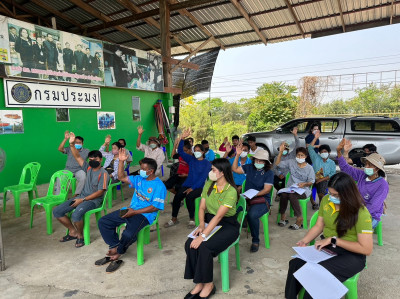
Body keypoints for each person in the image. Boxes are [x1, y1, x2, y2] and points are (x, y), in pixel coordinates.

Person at [285, 172, 373, 299]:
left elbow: (366, 249)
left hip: (352, 255)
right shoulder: (326, 200)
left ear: (348, 194)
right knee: (295, 264)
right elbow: (319, 225)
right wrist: (305, 240)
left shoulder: (361, 212)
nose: (331, 197)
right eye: (330, 193)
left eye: (336, 195)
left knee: (315, 277)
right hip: (329, 247)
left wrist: (334, 240)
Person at [95, 151, 166, 273]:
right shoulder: (138, 179)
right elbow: (121, 177)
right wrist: (121, 161)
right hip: (129, 210)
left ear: (151, 171)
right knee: (104, 221)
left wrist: (134, 212)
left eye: (143, 169)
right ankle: (114, 246)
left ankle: (118, 253)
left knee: (128, 234)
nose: (140, 171)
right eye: (140, 168)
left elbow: (155, 207)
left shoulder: (159, 186)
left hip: (144, 215)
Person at [184, 159, 240, 299]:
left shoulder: (231, 191)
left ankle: (209, 284)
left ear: (222, 173)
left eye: (214, 169)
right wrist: (201, 224)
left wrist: (202, 237)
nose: (211, 172)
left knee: (204, 247)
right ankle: (199, 282)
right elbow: (202, 207)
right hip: (209, 221)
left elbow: (219, 217)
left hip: (227, 225)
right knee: (189, 244)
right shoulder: (209, 183)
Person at [53, 132, 109, 248]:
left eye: (96, 158)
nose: (93, 159)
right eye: (91, 158)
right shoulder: (87, 168)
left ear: (100, 160)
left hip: (93, 200)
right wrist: (72, 144)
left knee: (76, 214)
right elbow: (77, 156)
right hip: (81, 197)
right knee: (57, 211)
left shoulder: (103, 174)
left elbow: (100, 192)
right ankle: (73, 232)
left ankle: (80, 236)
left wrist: (82, 199)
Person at [336, 138, 388, 229]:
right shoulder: (362, 175)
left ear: (377, 169)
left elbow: (373, 207)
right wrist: (339, 151)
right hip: (355, 209)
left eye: (370, 165)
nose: (366, 167)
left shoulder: (382, 185)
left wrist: (353, 214)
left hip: (370, 216)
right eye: (366, 164)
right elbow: (345, 168)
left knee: (349, 228)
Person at [165, 129, 211, 229]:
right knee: (177, 197)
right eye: (195, 150)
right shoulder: (191, 159)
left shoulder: (206, 163)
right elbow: (180, 151)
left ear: (203, 152)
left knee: (189, 197)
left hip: (199, 187)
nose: (197, 152)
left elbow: (202, 178)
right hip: (187, 184)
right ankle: (174, 218)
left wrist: (192, 188)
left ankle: (192, 219)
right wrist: (182, 138)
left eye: (199, 151)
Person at [232, 145, 273, 252]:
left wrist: (254, 195)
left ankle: (255, 240)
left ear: (266, 162)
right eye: (257, 160)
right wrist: (237, 155)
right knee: (232, 210)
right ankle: (231, 236)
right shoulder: (249, 167)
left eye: (261, 161)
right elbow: (235, 169)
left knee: (252, 215)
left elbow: (267, 190)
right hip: (247, 198)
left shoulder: (269, 173)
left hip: (262, 200)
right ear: (254, 159)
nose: (258, 163)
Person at [275, 144, 315, 230]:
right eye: (298, 155)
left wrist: (304, 184)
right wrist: (281, 152)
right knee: (284, 194)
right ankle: (283, 217)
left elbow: (311, 181)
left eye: (302, 155)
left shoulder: (309, 168)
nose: (299, 157)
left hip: (304, 190)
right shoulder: (291, 162)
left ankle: (299, 218)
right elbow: (277, 163)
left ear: (305, 156)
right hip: (291, 188)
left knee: (291, 195)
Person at [308, 130, 336, 209]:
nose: (323, 153)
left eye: (325, 151)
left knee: (321, 194)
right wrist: (315, 138)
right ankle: (313, 203)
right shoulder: (316, 158)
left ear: (329, 152)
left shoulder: (332, 163)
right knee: (307, 191)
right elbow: (310, 148)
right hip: (312, 178)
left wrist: (320, 180)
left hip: (323, 179)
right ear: (319, 153)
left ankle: (321, 205)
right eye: (322, 152)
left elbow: (331, 174)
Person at [57, 131, 89, 196]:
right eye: (76, 142)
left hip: (79, 170)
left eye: (79, 143)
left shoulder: (86, 151)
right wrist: (65, 139)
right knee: (59, 178)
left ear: (82, 143)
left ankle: (77, 195)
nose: (77, 144)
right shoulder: (70, 148)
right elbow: (60, 149)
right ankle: (59, 196)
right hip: (68, 169)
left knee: (83, 178)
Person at [273, 127, 300, 196]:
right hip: (280, 175)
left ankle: (282, 194)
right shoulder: (277, 157)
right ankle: (280, 193)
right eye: (283, 148)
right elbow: (274, 168)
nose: (284, 150)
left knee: (287, 182)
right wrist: (279, 174)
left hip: (289, 175)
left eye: (286, 148)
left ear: (288, 149)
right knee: (273, 180)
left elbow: (298, 145)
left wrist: (295, 135)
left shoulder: (292, 155)